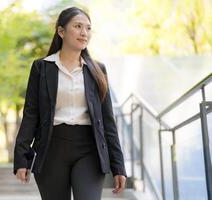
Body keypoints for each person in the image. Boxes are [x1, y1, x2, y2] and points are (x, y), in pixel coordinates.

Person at [13, 6, 127, 200]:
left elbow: (108, 122)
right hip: (51, 149)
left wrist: (118, 166)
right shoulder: (42, 68)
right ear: (61, 31)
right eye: (78, 26)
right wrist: (21, 158)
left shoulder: (98, 71)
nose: (84, 33)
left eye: (88, 28)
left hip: (89, 150)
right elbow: (31, 115)